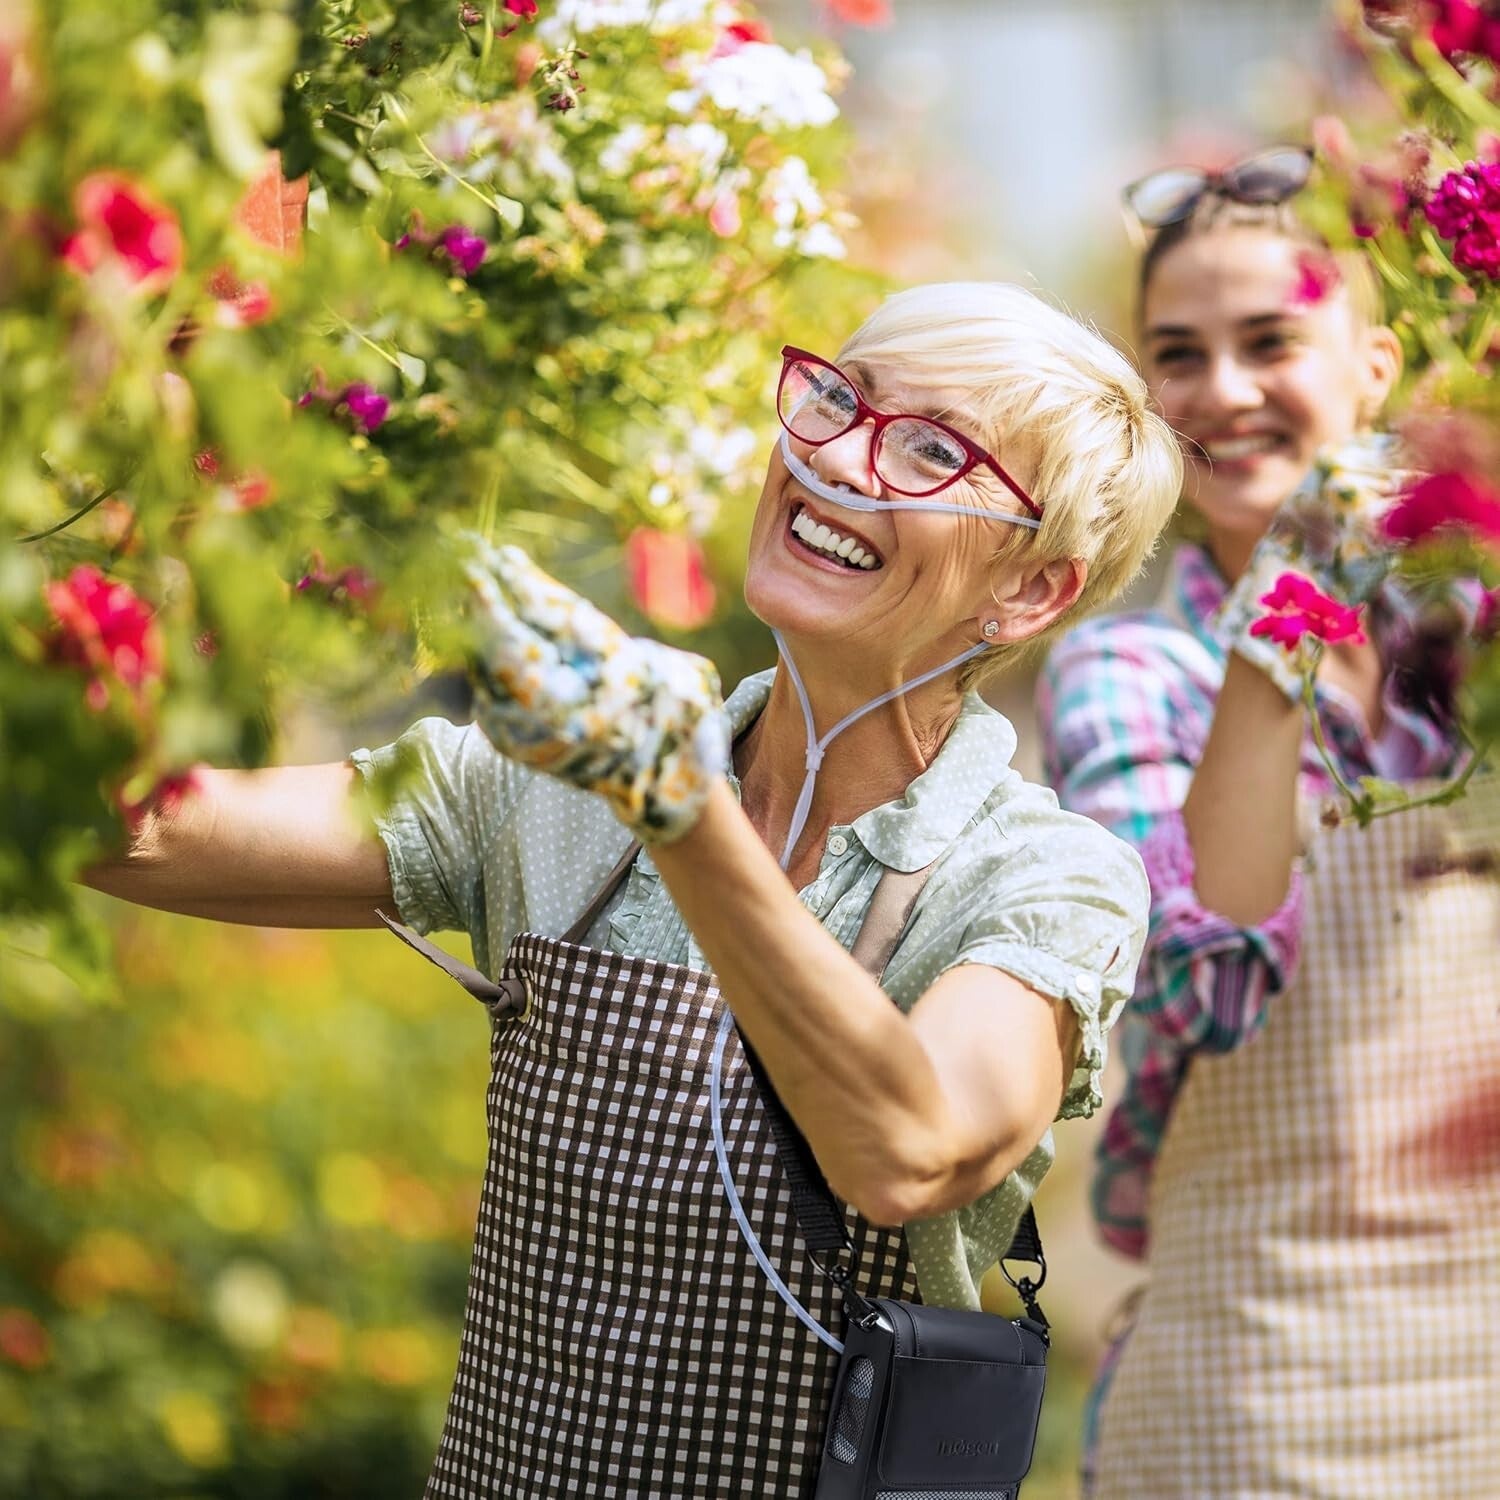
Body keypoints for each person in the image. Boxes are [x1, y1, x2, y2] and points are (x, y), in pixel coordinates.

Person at [88, 281, 1183, 1497]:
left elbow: (909, 1148)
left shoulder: (1042, 876)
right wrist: (130, 473)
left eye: (931, 449)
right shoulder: (549, 787)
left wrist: (679, 807)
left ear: (1029, 592)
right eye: (836, 402)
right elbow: (124, 834)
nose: (839, 464)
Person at [1038, 165, 1500, 1498]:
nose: (1227, 393)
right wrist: (1281, 624)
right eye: (1179, 358)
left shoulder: (1471, 640)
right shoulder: (1128, 670)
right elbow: (1206, 981)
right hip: (1261, 1382)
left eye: (1271, 344)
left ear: (1374, 366)